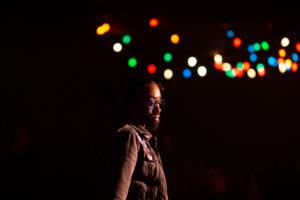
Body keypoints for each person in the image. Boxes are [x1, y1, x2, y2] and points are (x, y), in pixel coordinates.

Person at [103, 75, 168, 200]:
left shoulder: (146, 141)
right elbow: (117, 194)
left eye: (159, 102)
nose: (158, 108)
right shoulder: (129, 136)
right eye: (152, 102)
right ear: (133, 103)